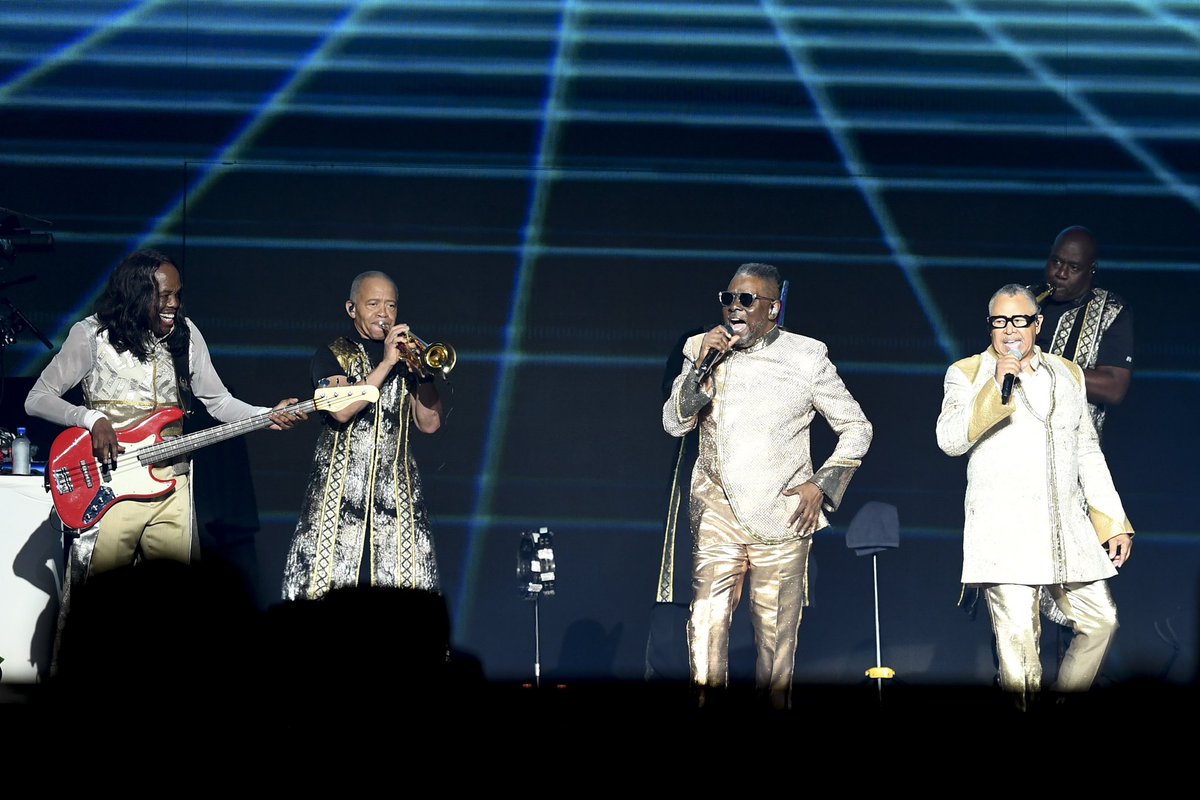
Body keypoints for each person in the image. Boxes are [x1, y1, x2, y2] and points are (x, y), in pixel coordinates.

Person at [662, 262, 873, 710]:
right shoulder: (701, 350)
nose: (734, 308)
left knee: (776, 644)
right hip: (717, 510)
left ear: (773, 308)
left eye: (747, 300)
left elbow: (857, 428)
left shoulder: (806, 355)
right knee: (705, 625)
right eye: (729, 298)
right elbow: (674, 422)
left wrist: (823, 484)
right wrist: (700, 365)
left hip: (783, 517)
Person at [24, 248, 305, 582]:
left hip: (173, 484)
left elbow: (217, 402)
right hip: (112, 486)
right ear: (136, 294)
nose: (174, 304)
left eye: (178, 295)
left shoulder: (186, 336)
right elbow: (37, 399)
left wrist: (266, 414)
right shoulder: (91, 336)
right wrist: (91, 419)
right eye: (164, 296)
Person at [935, 283, 1133, 710]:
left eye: (1019, 320)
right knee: (1020, 655)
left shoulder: (1068, 374)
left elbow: (1086, 450)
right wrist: (995, 385)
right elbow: (949, 440)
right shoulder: (966, 372)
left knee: (1101, 622)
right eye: (1000, 321)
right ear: (990, 326)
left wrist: (1112, 521)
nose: (1009, 330)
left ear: (1037, 324)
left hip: (1066, 530)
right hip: (1004, 533)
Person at [281, 270, 444, 600]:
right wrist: (385, 364)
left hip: (398, 505)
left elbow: (429, 424)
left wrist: (424, 377)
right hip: (336, 504)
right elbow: (341, 410)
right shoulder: (332, 354)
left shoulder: (407, 359)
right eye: (373, 304)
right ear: (351, 308)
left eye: (391, 305)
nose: (384, 314)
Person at [1036, 225, 1133, 441]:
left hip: (1075, 451)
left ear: (1092, 269)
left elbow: (1114, 388)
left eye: (1073, 267)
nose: (1060, 273)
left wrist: (1042, 366)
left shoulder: (1113, 310)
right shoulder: (1023, 300)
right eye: (1056, 262)